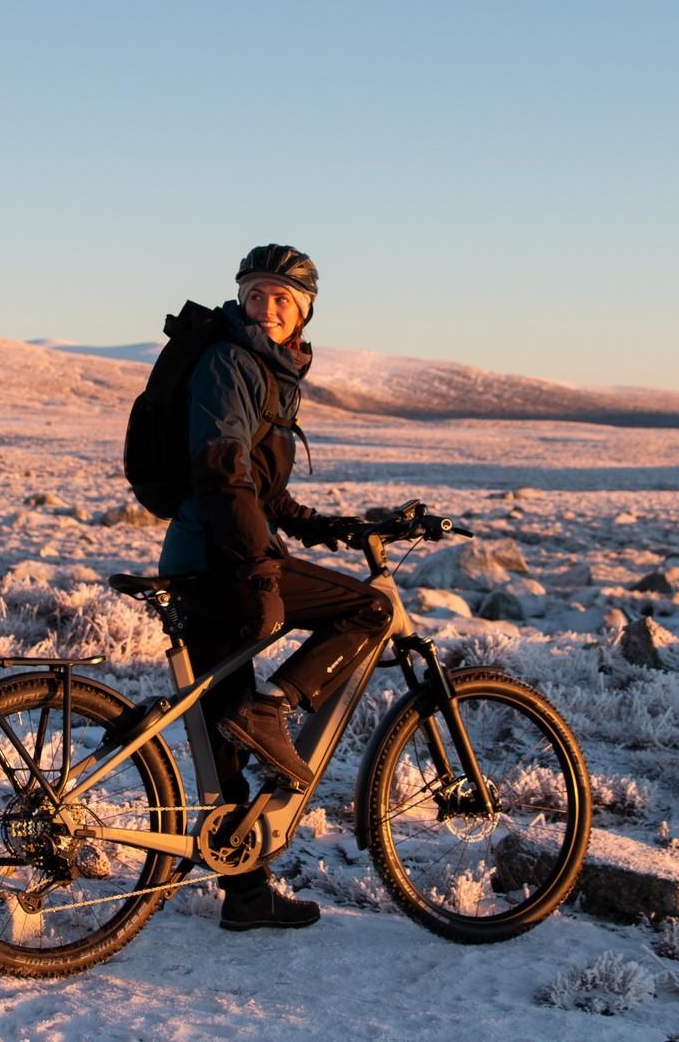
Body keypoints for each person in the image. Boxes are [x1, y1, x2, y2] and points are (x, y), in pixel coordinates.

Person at [157, 244, 396, 932]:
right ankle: (277, 708)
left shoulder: (269, 371)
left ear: (304, 314)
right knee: (369, 609)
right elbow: (222, 474)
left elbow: (263, 490)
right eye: (256, 294)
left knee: (223, 724)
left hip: (212, 553)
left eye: (281, 298)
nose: (266, 305)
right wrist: (261, 568)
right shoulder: (232, 362)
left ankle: (247, 893)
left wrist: (332, 528)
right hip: (219, 557)